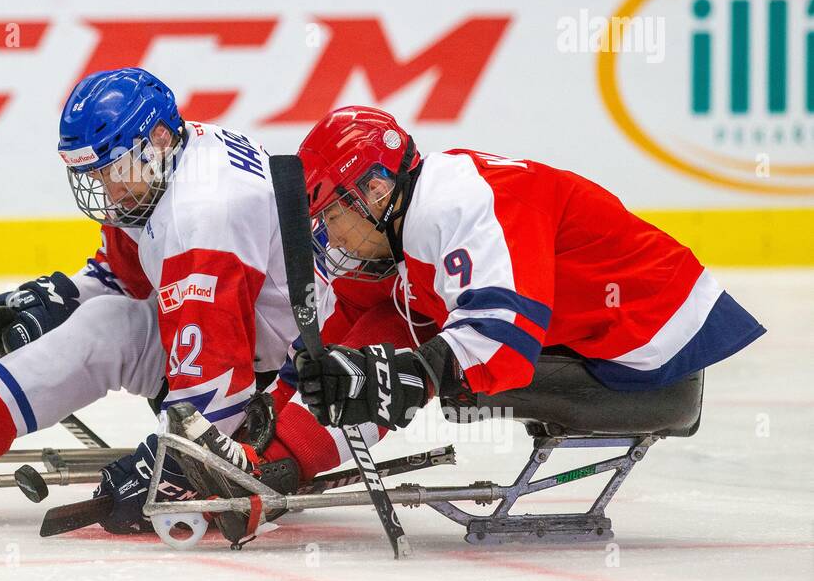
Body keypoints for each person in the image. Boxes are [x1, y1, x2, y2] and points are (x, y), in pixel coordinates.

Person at [0, 68, 380, 542]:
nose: (107, 188)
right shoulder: (159, 167)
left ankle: (258, 443)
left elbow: (216, 385)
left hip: (293, 375)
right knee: (104, 322)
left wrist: (170, 470)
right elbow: (124, 281)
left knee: (115, 333)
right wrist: (56, 301)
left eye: (112, 170)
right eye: (96, 173)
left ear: (155, 141)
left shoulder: (202, 216)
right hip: (258, 340)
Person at [287, 106, 766, 432]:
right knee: (394, 340)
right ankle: (281, 452)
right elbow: (355, 318)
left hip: (649, 363)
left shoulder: (456, 204)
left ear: (374, 190)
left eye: (332, 214)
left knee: (442, 370)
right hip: (611, 340)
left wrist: (403, 374)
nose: (333, 234)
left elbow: (501, 340)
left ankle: (293, 456)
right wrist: (276, 400)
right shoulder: (410, 218)